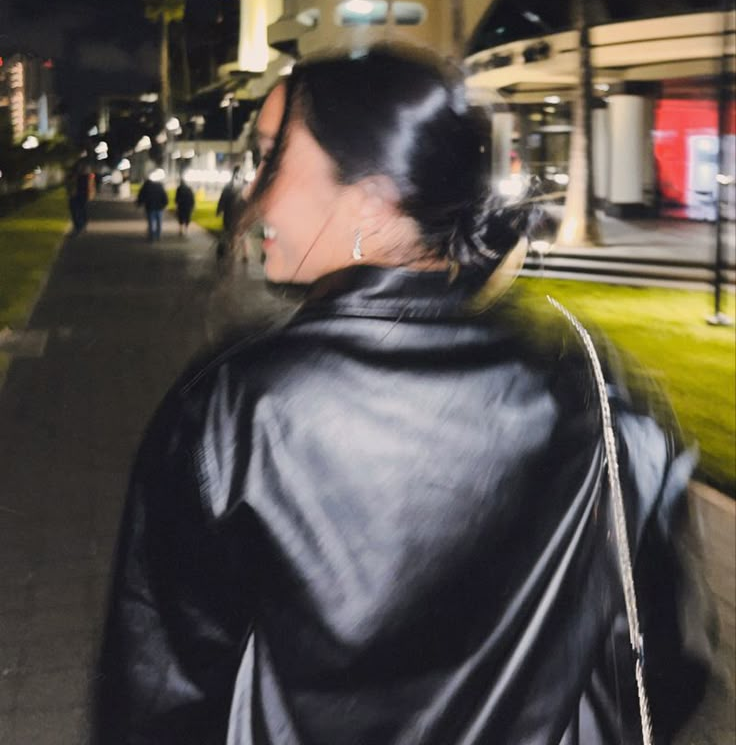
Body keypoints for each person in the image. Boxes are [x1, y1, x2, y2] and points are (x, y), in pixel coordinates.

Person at [94, 46, 715, 745]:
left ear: (371, 196)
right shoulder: (595, 385)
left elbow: (158, 698)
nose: (251, 190)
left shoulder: (233, 408)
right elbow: (670, 656)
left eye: (271, 159)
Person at [136, 169, 168, 241]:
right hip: (158, 207)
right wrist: (164, 203)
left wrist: (139, 203)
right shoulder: (159, 185)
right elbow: (164, 195)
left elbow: (141, 195)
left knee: (151, 223)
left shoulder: (147, 185)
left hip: (150, 207)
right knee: (158, 222)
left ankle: (152, 236)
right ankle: (157, 236)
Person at [66, 160, 93, 234]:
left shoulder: (76, 174)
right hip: (81, 193)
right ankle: (81, 226)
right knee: (81, 209)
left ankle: (79, 226)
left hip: (78, 194)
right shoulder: (86, 174)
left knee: (77, 209)